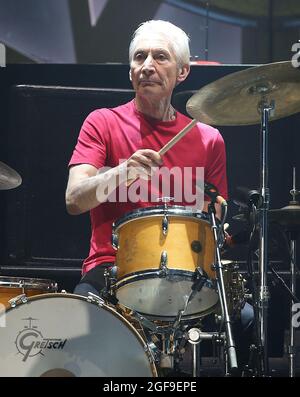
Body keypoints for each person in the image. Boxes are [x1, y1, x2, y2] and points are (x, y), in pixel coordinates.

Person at [65, 19, 252, 374]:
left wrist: (214, 210)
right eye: (139, 57)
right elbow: (74, 199)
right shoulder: (102, 122)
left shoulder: (207, 138)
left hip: (188, 272)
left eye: (159, 57)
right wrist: (122, 172)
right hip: (111, 270)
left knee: (244, 319)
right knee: (80, 322)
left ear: (182, 72)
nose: (147, 66)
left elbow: (218, 219)